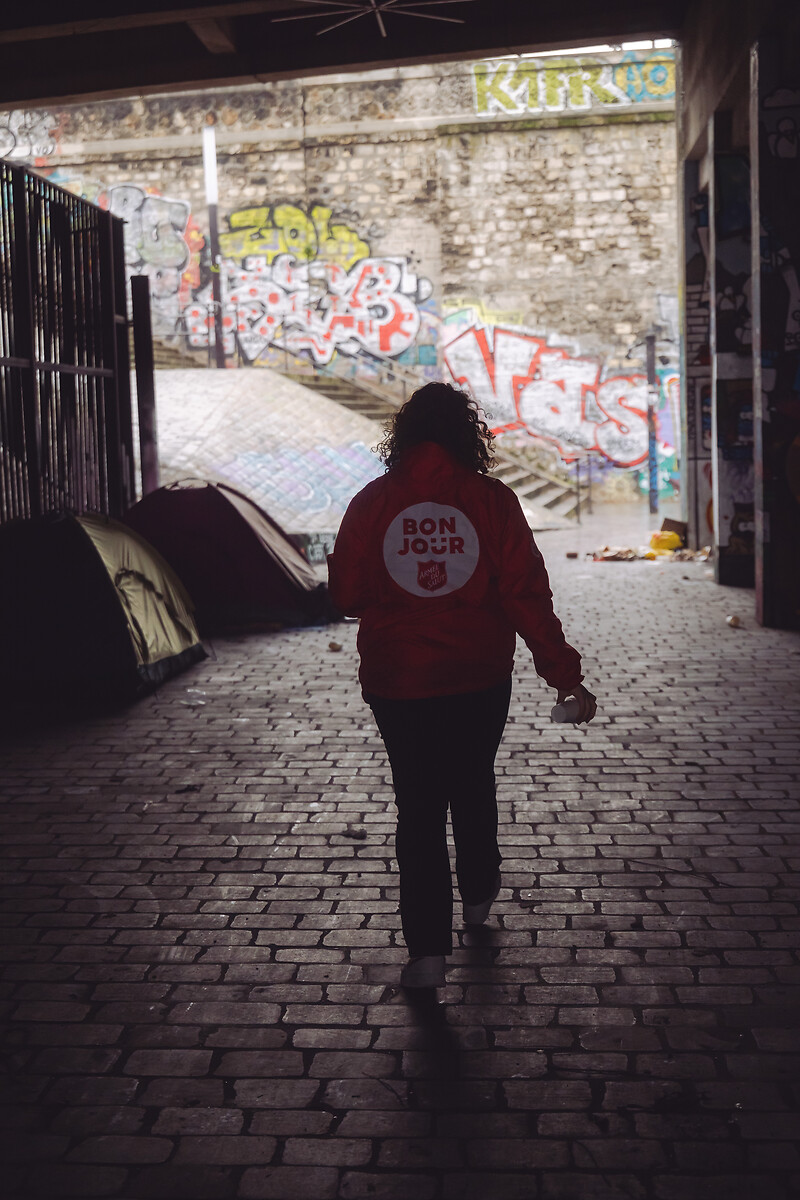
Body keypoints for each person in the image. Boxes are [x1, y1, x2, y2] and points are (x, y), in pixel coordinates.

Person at [327, 382, 596, 988]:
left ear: (403, 436)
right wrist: (564, 675)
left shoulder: (372, 502)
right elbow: (525, 595)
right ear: (466, 437)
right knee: (472, 780)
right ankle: (479, 893)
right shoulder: (492, 501)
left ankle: (426, 953)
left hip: (398, 680)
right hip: (478, 675)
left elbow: (345, 595)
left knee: (417, 805)